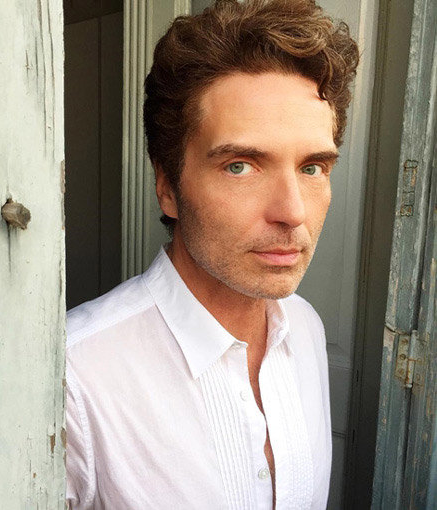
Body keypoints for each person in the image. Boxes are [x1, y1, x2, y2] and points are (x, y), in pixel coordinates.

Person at [66, 0, 359, 508]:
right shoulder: (77, 377)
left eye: (312, 168)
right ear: (167, 187)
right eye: (241, 166)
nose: (293, 213)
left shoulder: (305, 328)